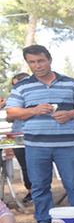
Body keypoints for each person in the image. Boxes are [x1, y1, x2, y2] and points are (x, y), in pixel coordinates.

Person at [6, 45, 74, 223]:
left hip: (67, 144)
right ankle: (44, 221)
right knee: (39, 186)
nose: (37, 65)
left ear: (49, 60)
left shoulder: (70, 83)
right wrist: (33, 110)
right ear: (28, 63)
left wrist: (70, 114)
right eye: (32, 62)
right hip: (36, 145)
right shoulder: (22, 86)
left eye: (41, 61)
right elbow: (11, 113)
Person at [6, 72, 32, 203]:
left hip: (32, 134)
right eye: (14, 86)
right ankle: (30, 191)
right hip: (16, 134)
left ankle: (36, 191)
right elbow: (9, 117)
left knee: (35, 165)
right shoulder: (14, 98)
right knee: (25, 166)